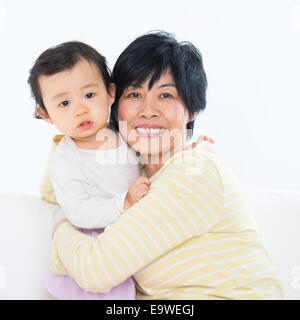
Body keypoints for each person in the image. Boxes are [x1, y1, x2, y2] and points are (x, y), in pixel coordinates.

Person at [47, 32, 283, 299]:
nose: (148, 110)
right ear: (113, 103)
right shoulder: (132, 177)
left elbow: (95, 270)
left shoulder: (193, 172)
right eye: (134, 94)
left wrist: (60, 230)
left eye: (166, 95)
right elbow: (56, 189)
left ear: (192, 110)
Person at [28, 41, 152, 299]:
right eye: (64, 103)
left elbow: (155, 157)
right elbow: (78, 211)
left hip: (133, 234)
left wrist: (186, 150)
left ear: (110, 93)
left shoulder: (123, 134)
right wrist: (124, 203)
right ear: (45, 114)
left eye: (89, 95)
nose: (80, 109)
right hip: (92, 243)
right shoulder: (65, 160)